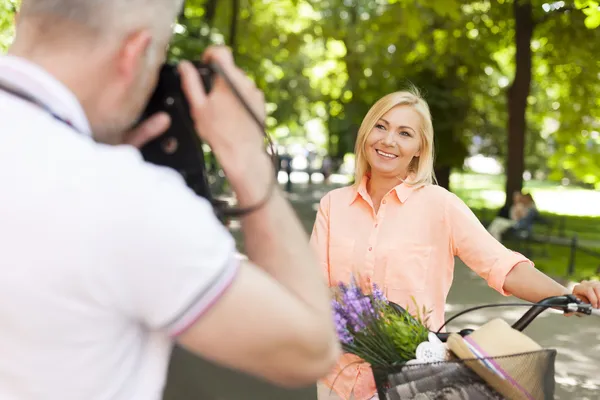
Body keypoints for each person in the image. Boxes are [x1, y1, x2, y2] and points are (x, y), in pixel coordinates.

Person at [0, 1, 340, 399]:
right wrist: (247, 159)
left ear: (25, 18)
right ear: (135, 53)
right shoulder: (127, 199)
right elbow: (312, 349)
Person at [310, 88, 600, 400]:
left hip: (413, 380)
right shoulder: (334, 205)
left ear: (420, 147)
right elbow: (312, 286)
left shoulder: (440, 205)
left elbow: (502, 266)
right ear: (367, 132)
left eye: (404, 133)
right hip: (338, 379)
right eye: (381, 126)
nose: (388, 141)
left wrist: (567, 295)